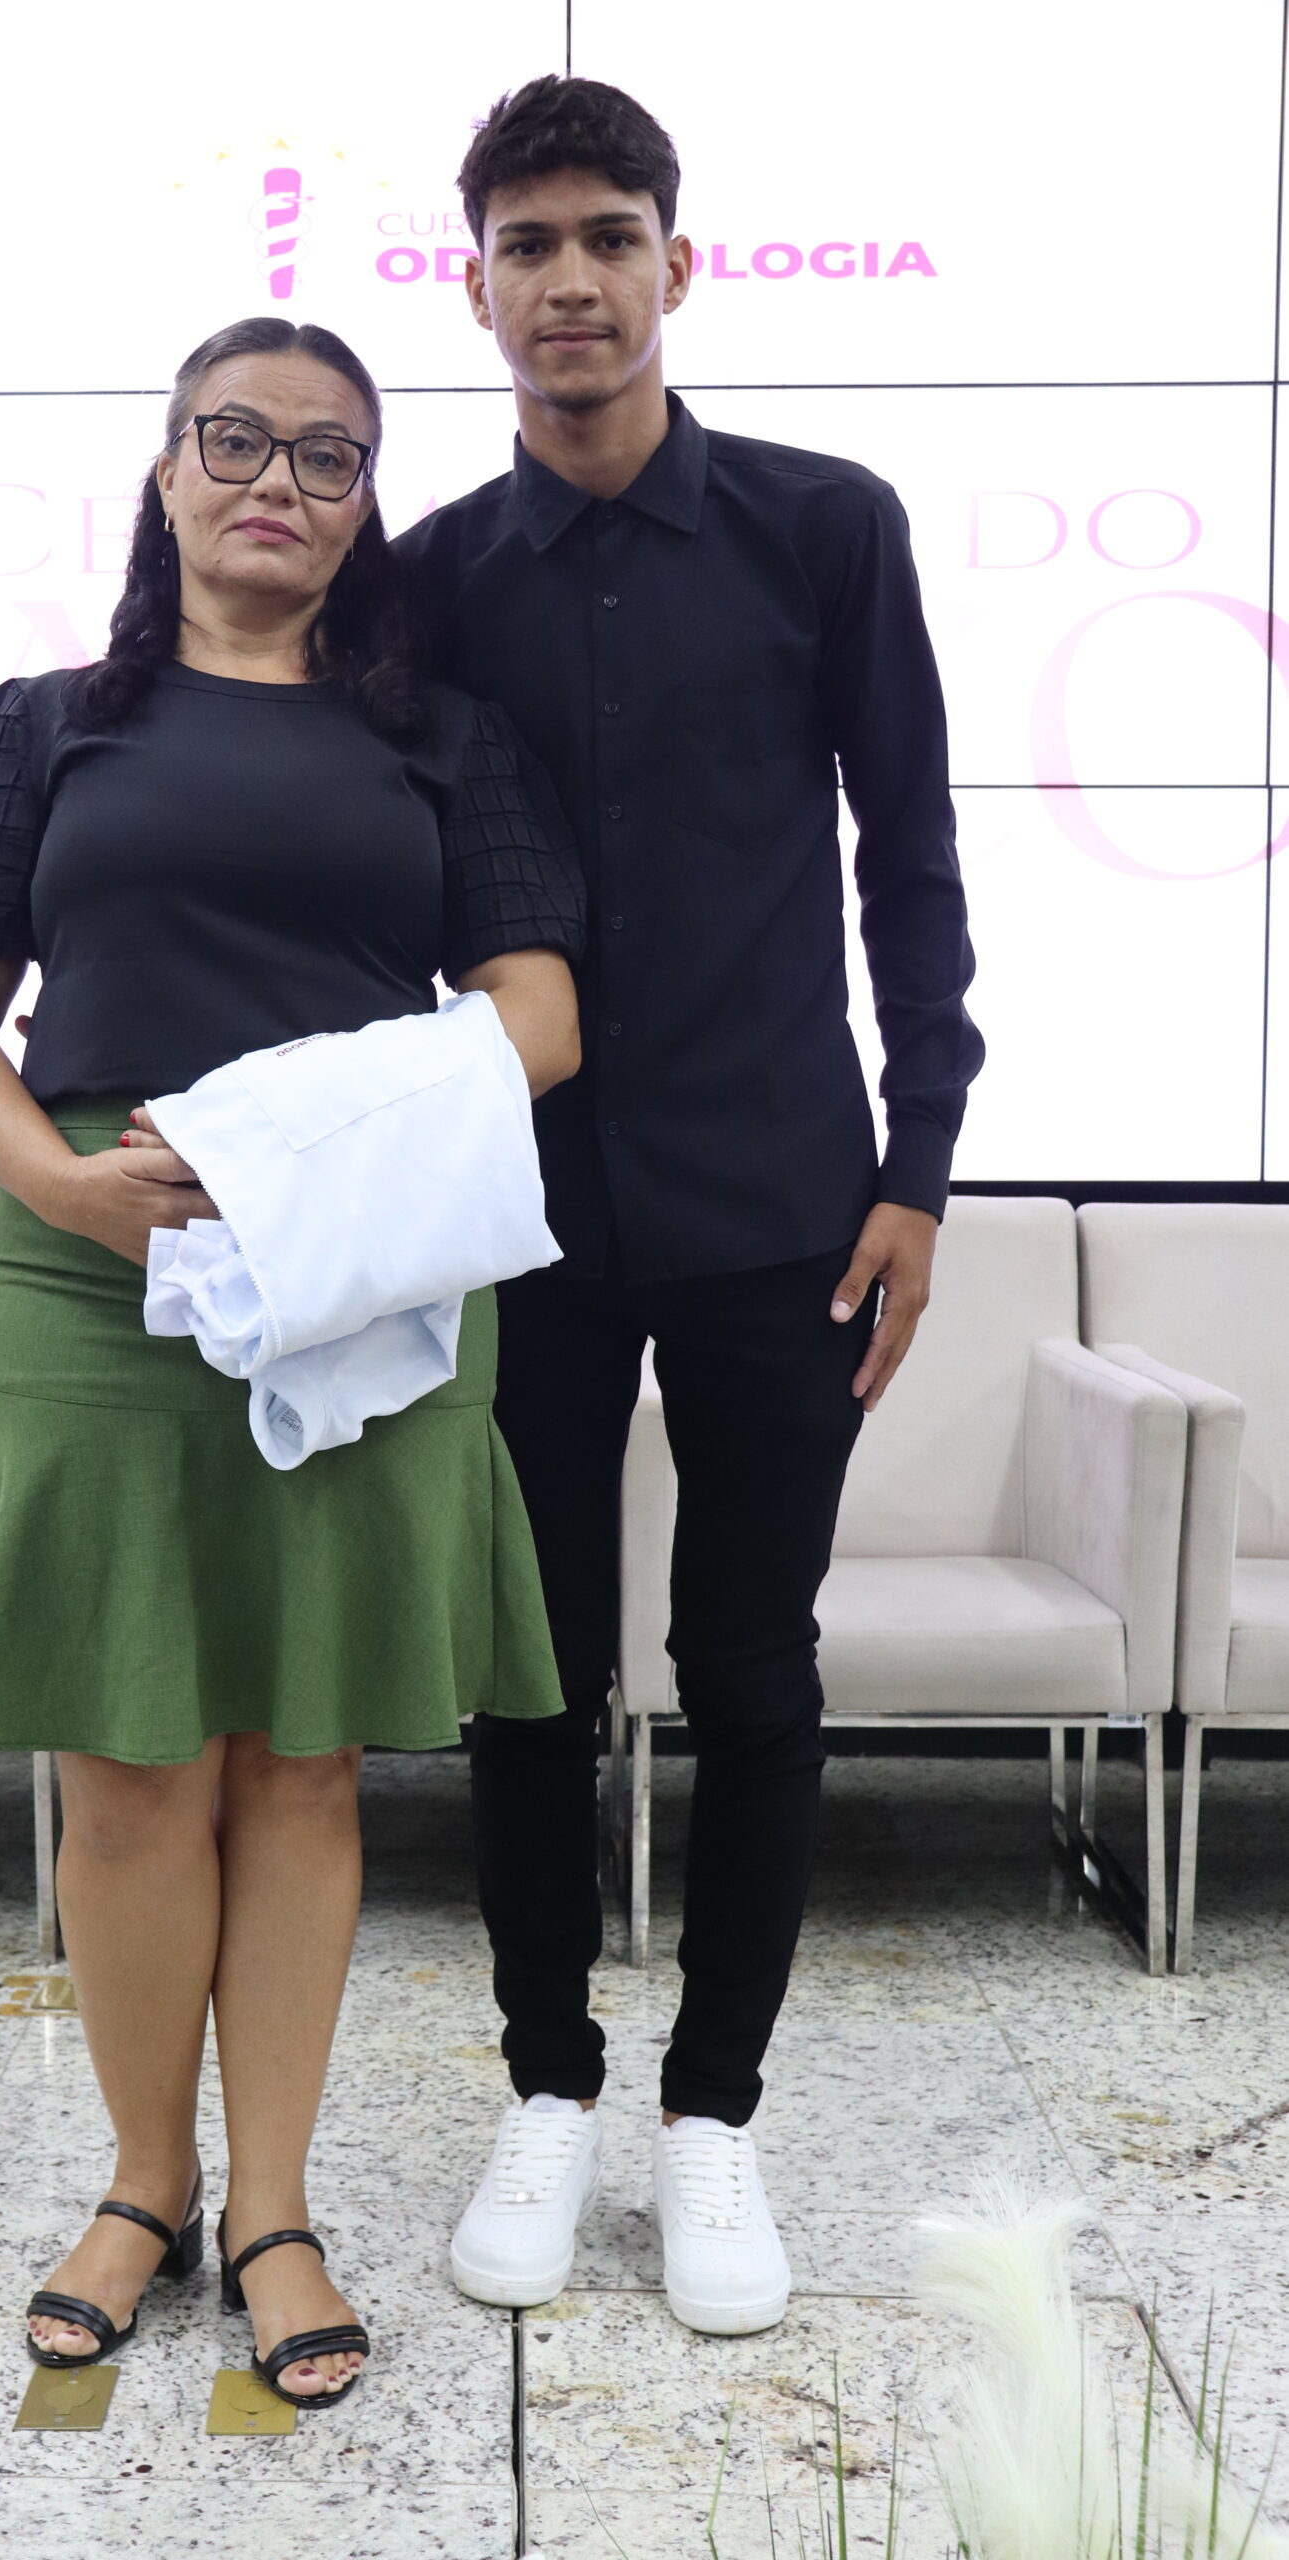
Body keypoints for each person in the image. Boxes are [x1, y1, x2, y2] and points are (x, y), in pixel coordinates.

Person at [0, 315, 584, 2404]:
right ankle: (141, 2184)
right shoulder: (39, 727)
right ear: (167, 466)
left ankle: (273, 2207)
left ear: (366, 503)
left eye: (328, 454)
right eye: (236, 438)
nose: (278, 479)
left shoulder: (444, 739)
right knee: (121, 1767)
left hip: (362, 1267)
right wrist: (61, 1178)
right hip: (91, 1268)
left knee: (301, 1758)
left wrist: (293, 1149)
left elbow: (536, 1023)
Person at [393, 77, 984, 2335]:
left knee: (749, 1666)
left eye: (606, 235)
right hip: (517, 1218)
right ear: (474, 288)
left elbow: (907, 859)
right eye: (526, 243)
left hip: (779, 1203)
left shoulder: (826, 528)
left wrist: (917, 1170)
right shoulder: (429, 579)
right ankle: (548, 2084)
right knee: (529, 1674)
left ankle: (713, 2108)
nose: (570, 278)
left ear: (676, 262)